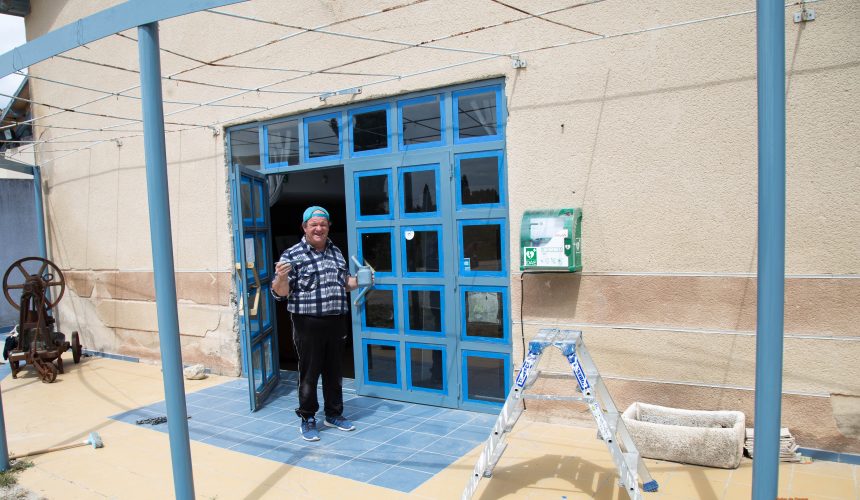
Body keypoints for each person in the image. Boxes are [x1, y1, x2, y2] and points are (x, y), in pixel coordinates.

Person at [272, 206, 367, 442]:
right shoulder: (291, 255)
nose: (319, 228)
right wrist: (281, 277)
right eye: (313, 224)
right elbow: (280, 293)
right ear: (304, 228)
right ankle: (307, 417)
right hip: (307, 322)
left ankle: (333, 414)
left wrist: (361, 280)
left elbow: (343, 283)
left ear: (328, 227)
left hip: (336, 320)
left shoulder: (337, 252)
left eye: (323, 224)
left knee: (334, 371)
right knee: (310, 372)